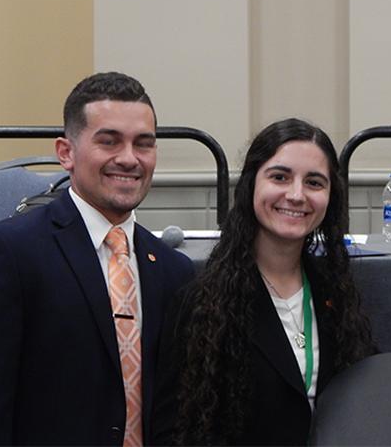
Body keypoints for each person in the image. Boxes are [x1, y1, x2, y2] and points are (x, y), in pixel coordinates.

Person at [0, 72, 195, 446]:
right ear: (66, 152)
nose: (129, 158)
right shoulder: (8, 255)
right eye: (109, 142)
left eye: (144, 144)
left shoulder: (173, 271)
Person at [150, 118, 375, 445]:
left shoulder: (335, 294)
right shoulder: (204, 303)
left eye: (314, 182)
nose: (296, 195)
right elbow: (174, 432)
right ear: (252, 184)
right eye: (280, 177)